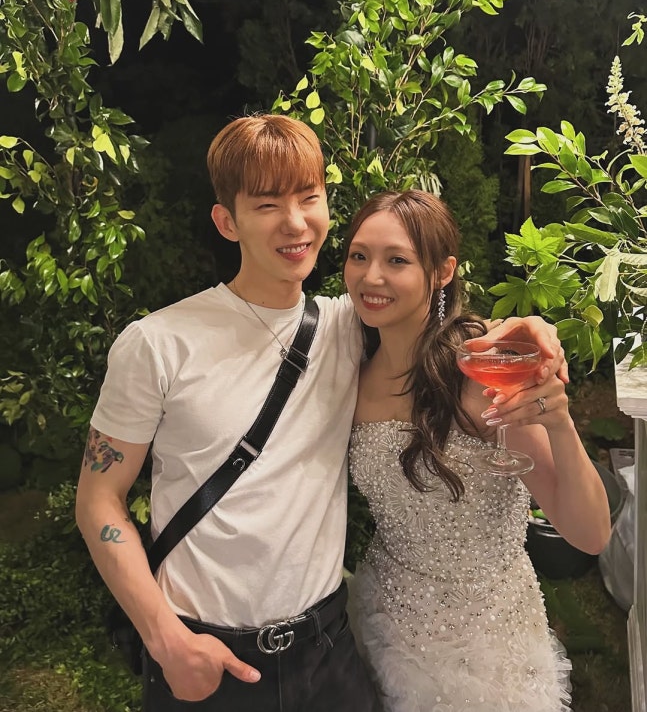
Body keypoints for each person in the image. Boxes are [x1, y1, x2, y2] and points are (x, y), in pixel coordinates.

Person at [75, 115, 567, 712]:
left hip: (329, 653)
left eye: (309, 197)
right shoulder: (158, 343)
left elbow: (434, 319)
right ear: (227, 221)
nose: (294, 222)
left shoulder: (348, 325)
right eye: (266, 204)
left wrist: (526, 329)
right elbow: (99, 499)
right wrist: (165, 639)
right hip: (206, 655)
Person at [343, 189, 612, 712]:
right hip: (384, 621)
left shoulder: (480, 376)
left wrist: (559, 422)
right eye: (359, 256)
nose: (371, 277)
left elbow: (592, 534)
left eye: (396, 260)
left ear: (442, 272)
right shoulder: (350, 363)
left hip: (485, 644)